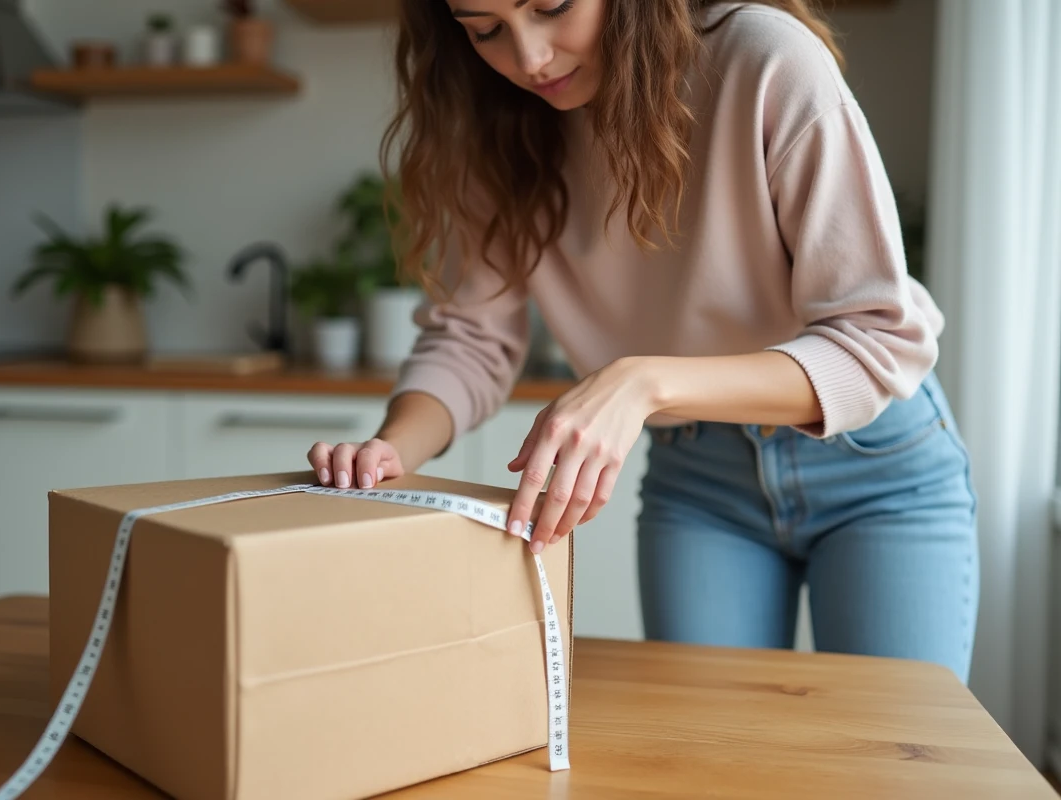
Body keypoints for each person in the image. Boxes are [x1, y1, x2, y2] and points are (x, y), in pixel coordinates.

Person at [306, 0, 979, 683]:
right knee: (710, 773)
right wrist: (394, 447)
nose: (529, 56)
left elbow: (872, 341)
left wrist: (642, 383)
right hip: (701, 481)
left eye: (551, 7)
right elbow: (469, 338)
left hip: (877, 469)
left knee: (891, 767)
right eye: (486, 30)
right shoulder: (494, 126)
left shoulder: (765, 58)